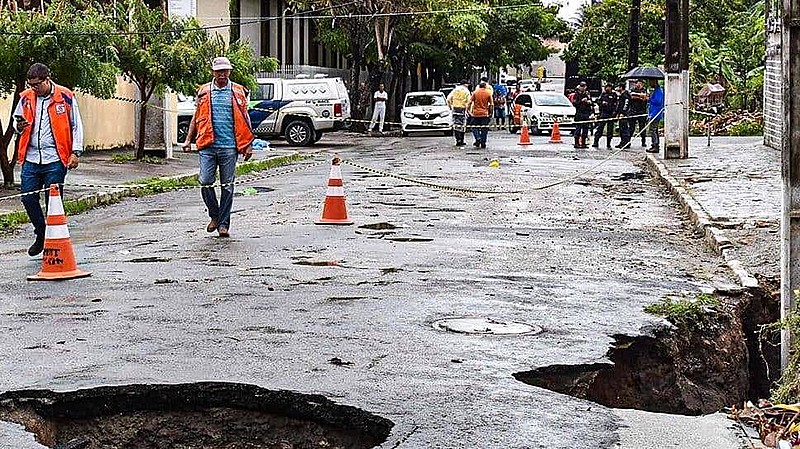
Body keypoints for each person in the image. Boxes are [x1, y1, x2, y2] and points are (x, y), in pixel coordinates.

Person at [14, 63, 84, 257]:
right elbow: (16, 123)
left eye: (36, 84)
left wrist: (76, 152)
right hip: (31, 157)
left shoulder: (65, 96)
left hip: (55, 157)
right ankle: (41, 232)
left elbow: (76, 125)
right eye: (30, 85)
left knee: (53, 202)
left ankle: (55, 243)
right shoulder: (26, 97)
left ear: (46, 80)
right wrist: (19, 125)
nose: (33, 88)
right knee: (27, 197)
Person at [182, 56, 254, 238]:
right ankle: (215, 215)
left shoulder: (238, 91)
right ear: (213, 72)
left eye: (225, 71)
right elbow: (196, 117)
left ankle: (223, 224)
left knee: (227, 186)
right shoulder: (204, 92)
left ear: (229, 71)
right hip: (207, 145)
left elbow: (246, 119)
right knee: (205, 181)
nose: (222, 74)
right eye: (219, 71)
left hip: (229, 147)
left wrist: (248, 144)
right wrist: (188, 140)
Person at [467, 81, 493, 148]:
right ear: (485, 86)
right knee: (484, 129)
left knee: (474, 127)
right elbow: (491, 104)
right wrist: (491, 113)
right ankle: (483, 142)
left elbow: (470, 102)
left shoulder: (475, 93)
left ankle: (477, 137)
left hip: (476, 113)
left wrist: (468, 111)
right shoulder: (488, 93)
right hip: (484, 113)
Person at [593, 83, 618, 149]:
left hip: (611, 114)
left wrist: (614, 113)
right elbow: (598, 101)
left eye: (609, 87)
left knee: (610, 130)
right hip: (603, 113)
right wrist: (602, 103)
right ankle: (596, 142)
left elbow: (616, 105)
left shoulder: (614, 95)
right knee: (600, 128)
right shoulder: (603, 94)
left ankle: (608, 144)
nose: (607, 88)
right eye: (606, 87)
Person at [447, 80, 471, 146]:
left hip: (455, 109)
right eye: (467, 84)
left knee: (456, 124)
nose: (468, 85)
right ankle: (462, 139)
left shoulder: (455, 90)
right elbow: (469, 101)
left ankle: (458, 140)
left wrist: (450, 107)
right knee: (463, 124)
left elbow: (448, 99)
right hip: (463, 109)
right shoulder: (466, 91)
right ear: (465, 84)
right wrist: (468, 110)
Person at [571, 81, 593, 149]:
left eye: (584, 86)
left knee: (585, 130)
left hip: (586, 114)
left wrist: (589, 102)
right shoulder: (576, 95)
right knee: (578, 129)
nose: (583, 88)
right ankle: (576, 143)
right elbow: (574, 104)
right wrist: (581, 101)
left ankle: (583, 143)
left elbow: (591, 103)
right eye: (582, 86)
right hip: (579, 113)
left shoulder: (587, 94)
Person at [629, 79, 649, 147]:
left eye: (641, 83)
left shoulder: (645, 90)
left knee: (642, 128)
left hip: (642, 112)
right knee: (631, 128)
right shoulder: (632, 89)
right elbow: (631, 96)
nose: (639, 85)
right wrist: (640, 96)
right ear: (636, 84)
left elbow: (646, 97)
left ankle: (643, 142)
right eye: (638, 83)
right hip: (633, 111)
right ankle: (628, 142)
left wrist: (640, 96)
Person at [647, 79, 664, 153]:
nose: (650, 83)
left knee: (653, 129)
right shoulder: (656, 90)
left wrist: (650, 99)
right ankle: (654, 144)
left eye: (651, 81)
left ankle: (655, 145)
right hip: (653, 112)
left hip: (656, 113)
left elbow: (658, 101)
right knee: (655, 129)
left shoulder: (658, 91)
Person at [615, 82, 633, 148]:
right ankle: (622, 142)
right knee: (621, 129)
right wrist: (618, 113)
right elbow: (619, 105)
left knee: (624, 129)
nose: (616, 88)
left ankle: (626, 143)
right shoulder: (621, 95)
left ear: (621, 87)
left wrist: (623, 113)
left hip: (625, 115)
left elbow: (626, 104)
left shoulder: (625, 95)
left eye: (618, 87)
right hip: (621, 114)